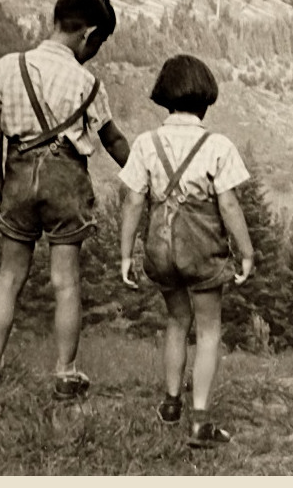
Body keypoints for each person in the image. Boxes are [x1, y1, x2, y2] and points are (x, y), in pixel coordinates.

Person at [0, 0, 130, 399]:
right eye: (99, 43)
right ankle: (65, 372)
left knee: (8, 276)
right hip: (66, 181)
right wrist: (139, 174)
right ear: (87, 34)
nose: (96, 50)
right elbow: (113, 140)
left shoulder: (9, 66)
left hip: (18, 177)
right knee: (66, 282)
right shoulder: (88, 83)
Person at [118, 54, 255, 448]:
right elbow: (228, 205)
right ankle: (200, 423)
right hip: (202, 249)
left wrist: (126, 254)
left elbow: (132, 201)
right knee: (209, 331)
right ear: (206, 98)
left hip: (161, 246)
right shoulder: (218, 145)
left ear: (165, 96)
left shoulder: (145, 143)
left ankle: (171, 403)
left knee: (177, 320)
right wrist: (246, 251)